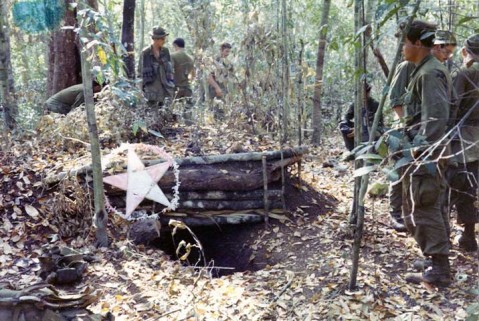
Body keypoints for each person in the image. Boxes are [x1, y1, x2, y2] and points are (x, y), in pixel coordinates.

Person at [395, 21, 454, 287]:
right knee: (423, 206)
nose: (402, 47)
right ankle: (434, 257)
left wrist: (421, 152)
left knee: (425, 206)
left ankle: (440, 269)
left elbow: (436, 119)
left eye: (404, 41)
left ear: (417, 43)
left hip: (426, 154)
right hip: (423, 152)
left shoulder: (430, 73)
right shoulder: (423, 70)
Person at [387, 30, 457, 233]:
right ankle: (396, 213)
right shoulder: (408, 66)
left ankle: (432, 234)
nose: (447, 56)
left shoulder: (433, 70)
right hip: (405, 133)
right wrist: (406, 131)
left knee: (426, 190)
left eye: (451, 53)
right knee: (400, 175)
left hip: (423, 137)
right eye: (445, 51)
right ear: (435, 47)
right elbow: (395, 101)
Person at [447, 34, 479, 252]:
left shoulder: (464, 73)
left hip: (465, 139)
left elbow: (452, 106)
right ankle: (467, 236)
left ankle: (465, 237)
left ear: (466, 51)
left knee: (461, 186)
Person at [339, 83, 383, 151]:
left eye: (365, 92)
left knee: (369, 131)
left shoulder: (375, 104)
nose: (363, 95)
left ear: (368, 92)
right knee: (342, 125)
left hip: (372, 129)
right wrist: (353, 129)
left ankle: (372, 150)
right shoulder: (355, 104)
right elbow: (346, 118)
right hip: (357, 128)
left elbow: (379, 122)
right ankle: (352, 150)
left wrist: (361, 129)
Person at [141, 26, 175, 108]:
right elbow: (140, 73)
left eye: (164, 38)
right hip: (151, 92)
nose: (164, 41)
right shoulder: (145, 53)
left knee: (166, 115)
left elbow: (171, 70)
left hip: (165, 90)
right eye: (162, 39)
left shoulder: (166, 51)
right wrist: (141, 91)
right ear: (155, 39)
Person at [171, 38, 195, 123]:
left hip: (175, 87)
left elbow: (170, 71)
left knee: (170, 108)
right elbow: (193, 75)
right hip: (186, 87)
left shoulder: (173, 56)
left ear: (175, 45)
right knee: (188, 110)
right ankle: (189, 127)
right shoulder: (190, 58)